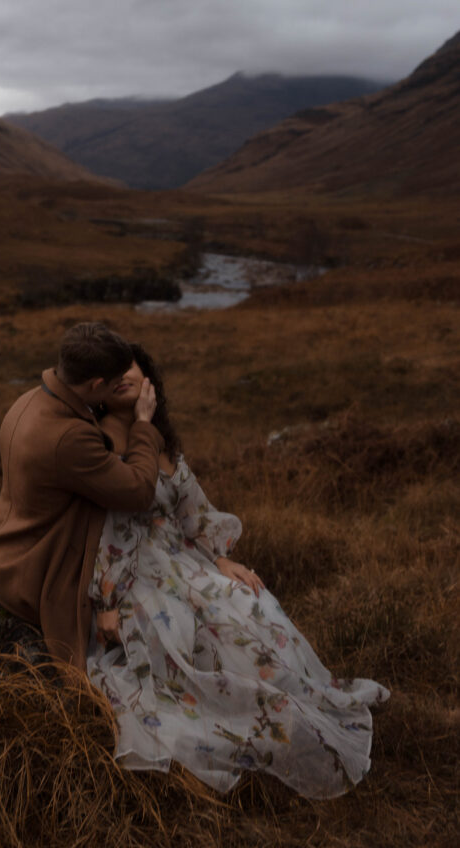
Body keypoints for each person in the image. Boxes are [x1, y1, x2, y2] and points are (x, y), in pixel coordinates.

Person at [86, 342, 390, 799]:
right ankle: (244, 729)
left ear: (146, 376)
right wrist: (106, 604)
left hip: (185, 562)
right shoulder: (102, 440)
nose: (122, 375)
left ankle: (301, 708)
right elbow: (105, 529)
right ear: (100, 389)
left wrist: (221, 557)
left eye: (129, 365)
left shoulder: (161, 439)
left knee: (253, 604)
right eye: (111, 372)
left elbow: (191, 512)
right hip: (136, 575)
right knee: (196, 638)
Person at [0, 322, 164, 669]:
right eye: (112, 384)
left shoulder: (29, 400)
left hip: (10, 552)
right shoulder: (69, 437)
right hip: (39, 571)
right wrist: (142, 425)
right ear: (96, 385)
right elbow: (138, 491)